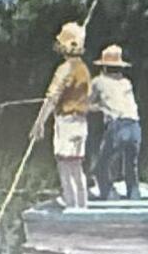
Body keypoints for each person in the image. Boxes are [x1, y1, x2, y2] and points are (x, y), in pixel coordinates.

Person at [41, 21, 93, 211]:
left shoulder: (64, 69)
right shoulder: (84, 70)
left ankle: (71, 207)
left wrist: (39, 123)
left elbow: (52, 98)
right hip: (81, 123)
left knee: (64, 166)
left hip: (66, 122)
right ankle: (82, 206)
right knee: (77, 167)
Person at [88, 43, 142, 200]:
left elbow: (85, 105)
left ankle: (109, 196)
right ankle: (134, 196)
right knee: (131, 166)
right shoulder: (126, 83)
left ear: (104, 67)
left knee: (101, 167)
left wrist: (98, 107)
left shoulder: (98, 81)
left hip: (118, 126)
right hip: (135, 126)